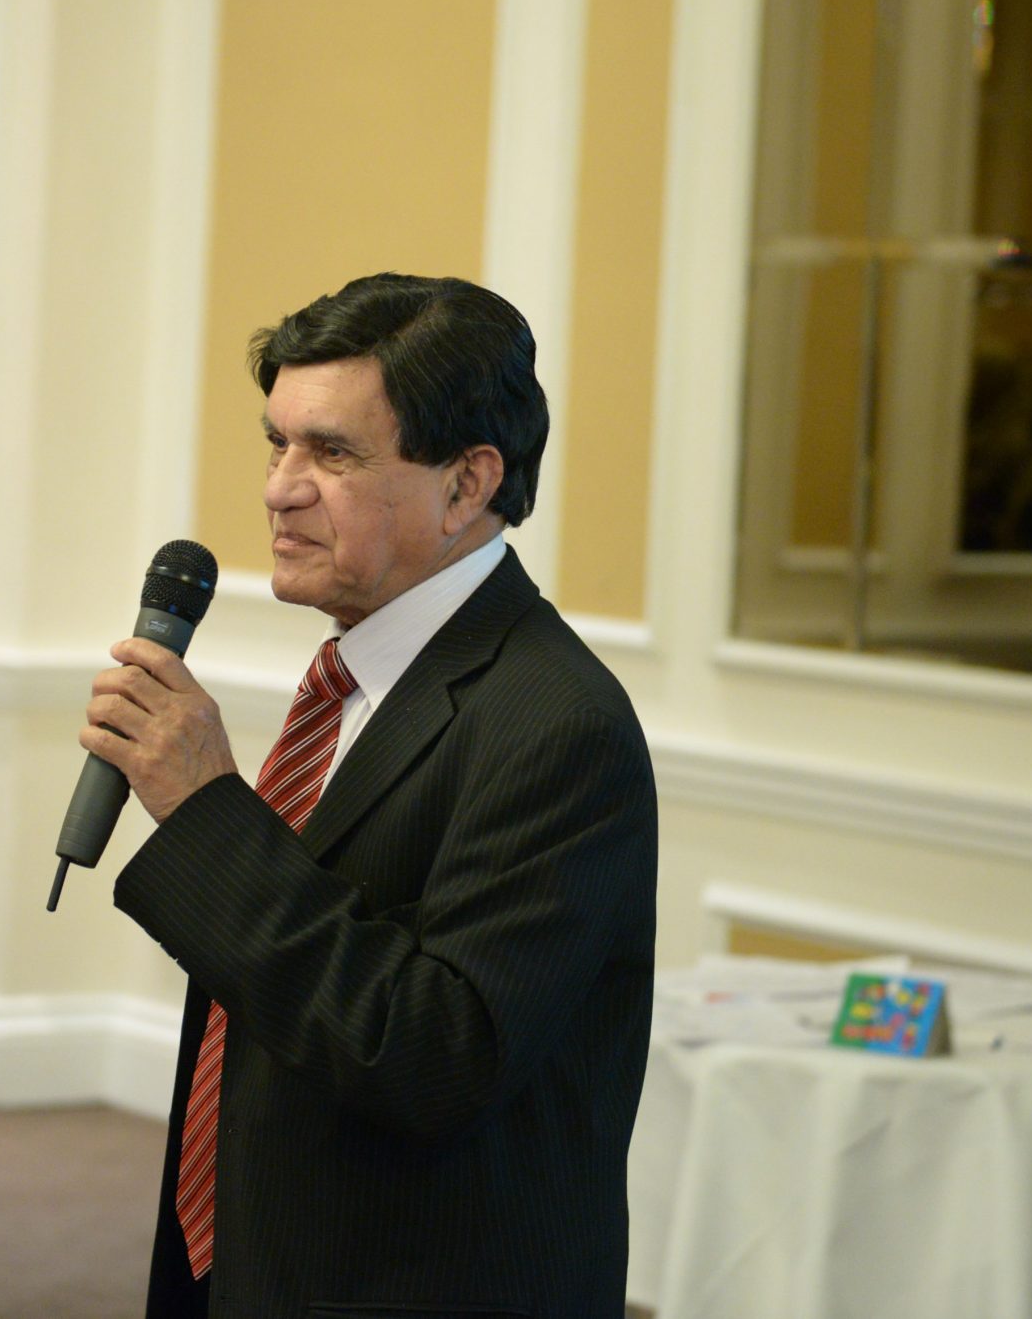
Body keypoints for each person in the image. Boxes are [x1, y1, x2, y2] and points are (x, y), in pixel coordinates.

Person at [77, 273, 658, 1318]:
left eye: (333, 454)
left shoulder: (557, 724)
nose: (280, 488)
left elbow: (431, 1056)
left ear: (466, 483)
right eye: (277, 444)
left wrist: (210, 810)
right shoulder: (358, 678)